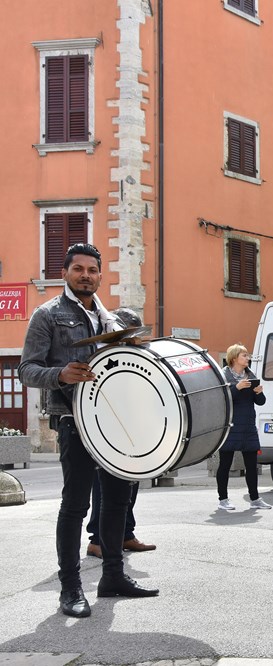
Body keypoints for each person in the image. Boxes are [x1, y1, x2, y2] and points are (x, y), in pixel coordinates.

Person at [19, 243, 159, 618]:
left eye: (92, 270)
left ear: (100, 275)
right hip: (74, 421)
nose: (86, 275)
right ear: (64, 273)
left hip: (114, 424)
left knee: (116, 502)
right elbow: (26, 369)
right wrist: (60, 374)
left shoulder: (108, 318)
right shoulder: (47, 314)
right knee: (76, 506)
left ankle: (113, 576)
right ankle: (70, 588)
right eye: (78, 269)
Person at [85, 306, 156, 559]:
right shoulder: (100, 354)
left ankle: (125, 533)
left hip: (130, 429)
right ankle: (97, 540)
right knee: (103, 487)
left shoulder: (135, 353)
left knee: (130, 485)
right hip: (106, 430)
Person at [217, 343, 270, 511]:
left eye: (248, 355)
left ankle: (255, 499)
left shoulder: (251, 375)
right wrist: (236, 388)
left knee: (252, 465)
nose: (248, 358)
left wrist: (259, 392)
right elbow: (220, 399)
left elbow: (261, 402)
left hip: (248, 426)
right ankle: (223, 499)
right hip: (230, 425)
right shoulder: (223, 376)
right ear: (234, 358)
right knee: (225, 464)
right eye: (244, 355)